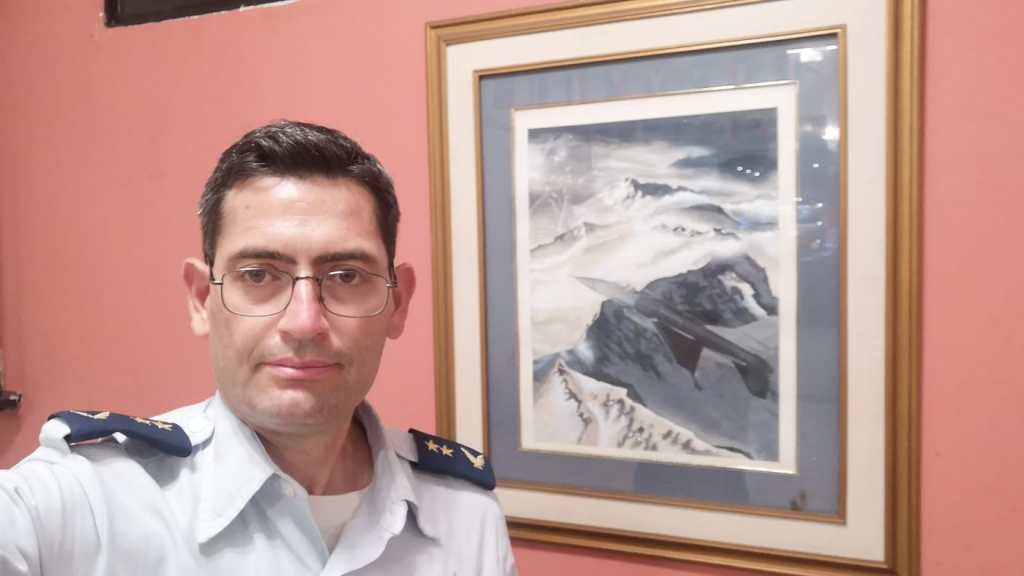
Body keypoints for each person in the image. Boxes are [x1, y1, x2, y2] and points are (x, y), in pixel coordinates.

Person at [0, 120, 517, 575]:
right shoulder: (85, 502)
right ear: (202, 299)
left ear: (397, 303)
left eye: (346, 276)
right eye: (258, 275)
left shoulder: (466, 514)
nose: (305, 323)